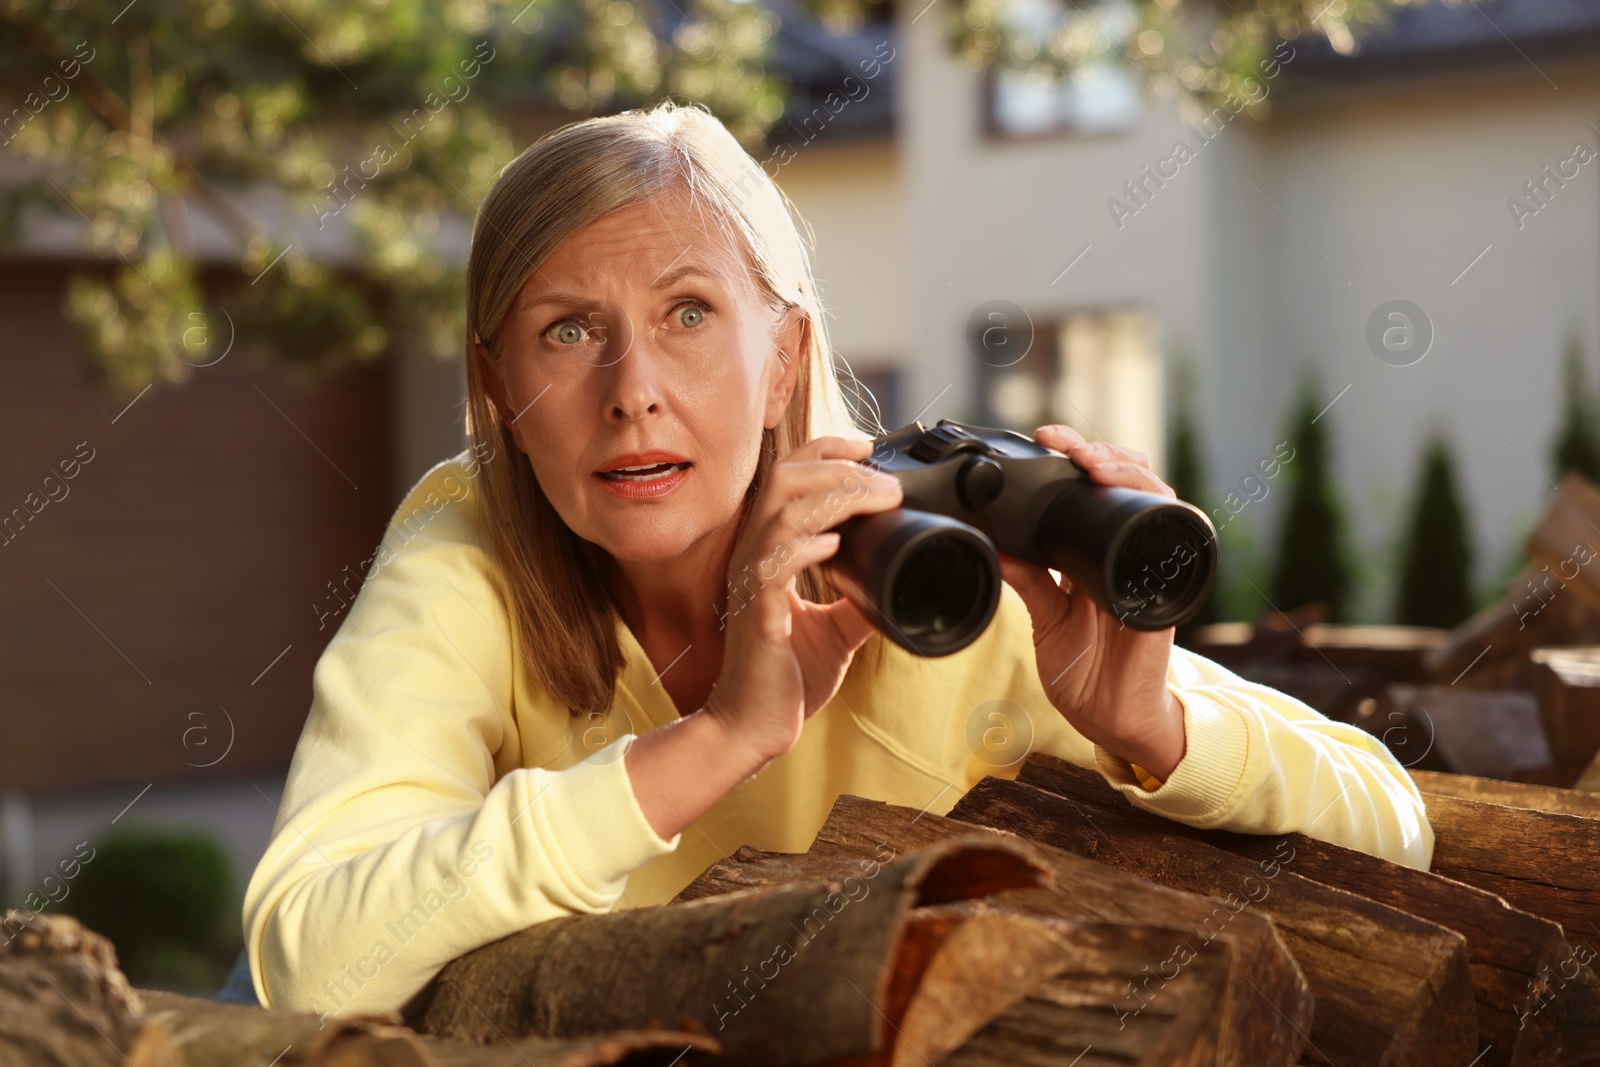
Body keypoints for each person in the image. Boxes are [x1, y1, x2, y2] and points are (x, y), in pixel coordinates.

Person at [242, 100, 1434, 1018]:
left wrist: (1149, 721)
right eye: (568, 330)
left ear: (784, 357)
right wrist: (713, 741)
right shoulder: (470, 546)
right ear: (498, 388)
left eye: (689, 312)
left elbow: (1395, 822)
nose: (633, 394)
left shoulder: (931, 584)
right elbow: (314, 957)